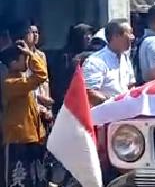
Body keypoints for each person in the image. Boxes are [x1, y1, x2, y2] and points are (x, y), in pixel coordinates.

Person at [0, 40, 49, 187]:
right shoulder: (10, 83)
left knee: (36, 178)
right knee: (19, 180)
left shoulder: (22, 80)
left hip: (31, 135)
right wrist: (31, 54)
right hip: (17, 138)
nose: (27, 61)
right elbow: (41, 75)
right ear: (13, 63)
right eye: (24, 58)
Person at [82, 19, 136, 106]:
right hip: (104, 114)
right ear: (115, 36)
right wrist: (114, 103)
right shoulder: (95, 61)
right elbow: (89, 93)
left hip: (125, 113)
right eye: (129, 33)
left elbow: (130, 85)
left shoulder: (125, 58)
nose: (132, 37)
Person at [52, 23, 94, 113]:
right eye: (85, 35)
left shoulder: (93, 55)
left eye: (90, 34)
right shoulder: (65, 56)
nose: (89, 37)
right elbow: (61, 81)